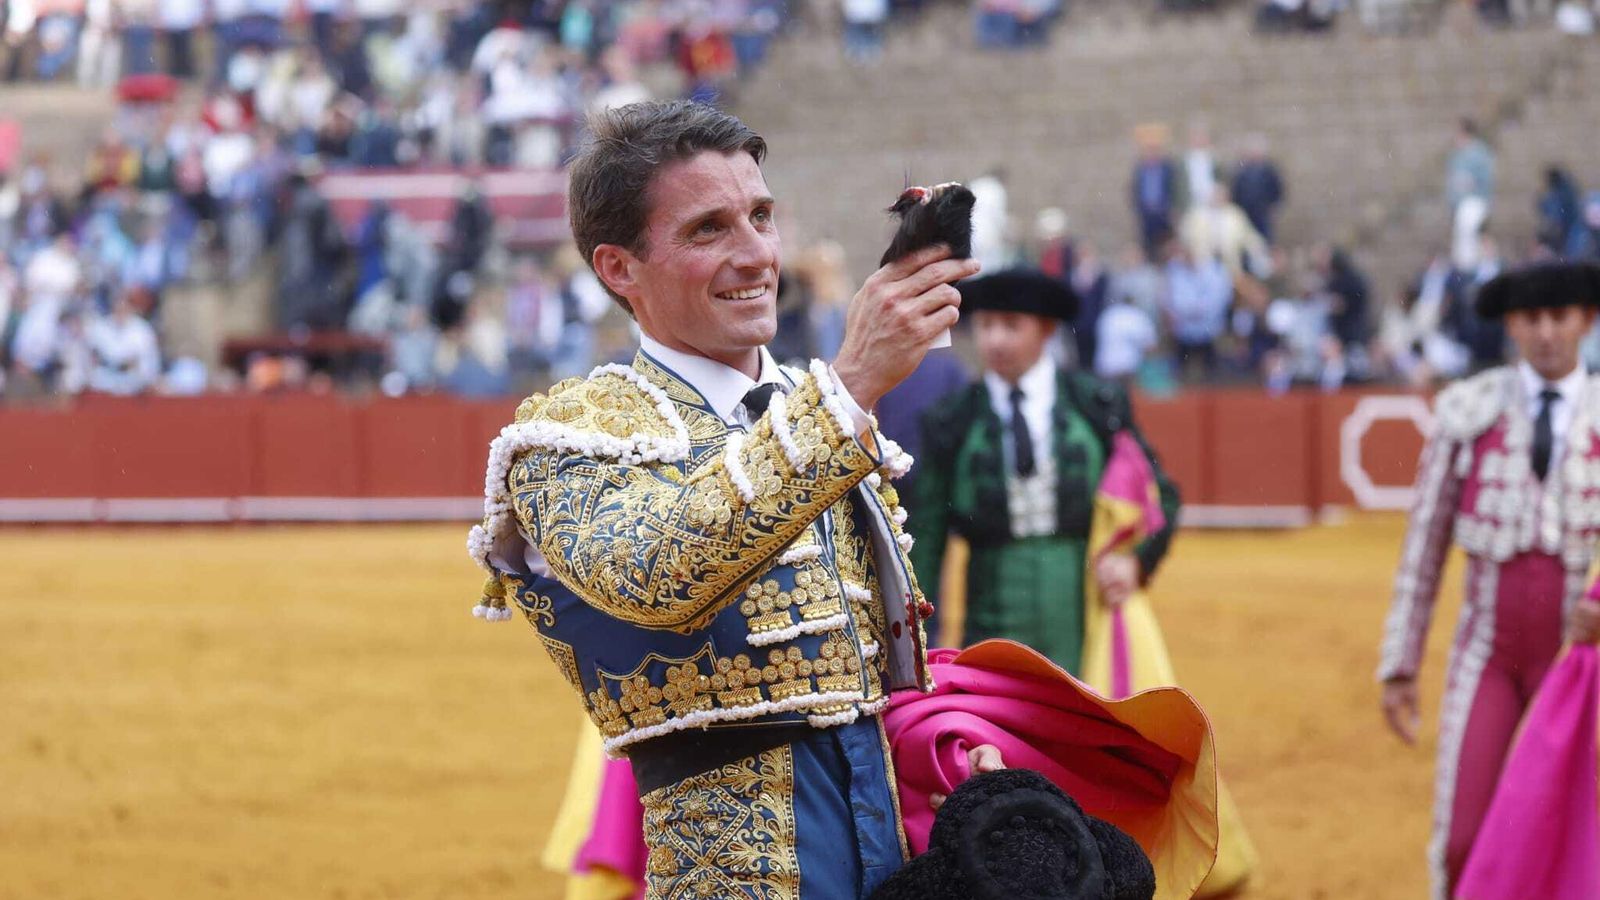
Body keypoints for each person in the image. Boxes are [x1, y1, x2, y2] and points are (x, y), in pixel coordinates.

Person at [467, 100, 998, 897]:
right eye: (708, 229)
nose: (757, 255)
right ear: (619, 269)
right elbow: (659, 573)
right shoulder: (565, 439)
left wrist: (948, 747)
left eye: (761, 215)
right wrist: (847, 388)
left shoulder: (812, 406)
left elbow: (864, 678)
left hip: (885, 848)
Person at [1379, 261, 1600, 898]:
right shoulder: (1467, 414)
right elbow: (1423, 551)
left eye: (1560, 317)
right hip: (1490, 655)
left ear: (1585, 320)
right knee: (1462, 835)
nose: (1547, 333)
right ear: (1511, 324)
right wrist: (1400, 664)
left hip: (1583, 663)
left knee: (1580, 833)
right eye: (1532, 319)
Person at [907, 268, 1180, 673]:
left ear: (1046, 330)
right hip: (988, 624)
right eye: (985, 325)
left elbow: (1160, 496)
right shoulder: (951, 419)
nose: (995, 340)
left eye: (1011, 326)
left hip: (1083, 617)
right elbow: (926, 538)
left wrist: (1137, 562)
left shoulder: (1097, 405)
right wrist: (918, 641)